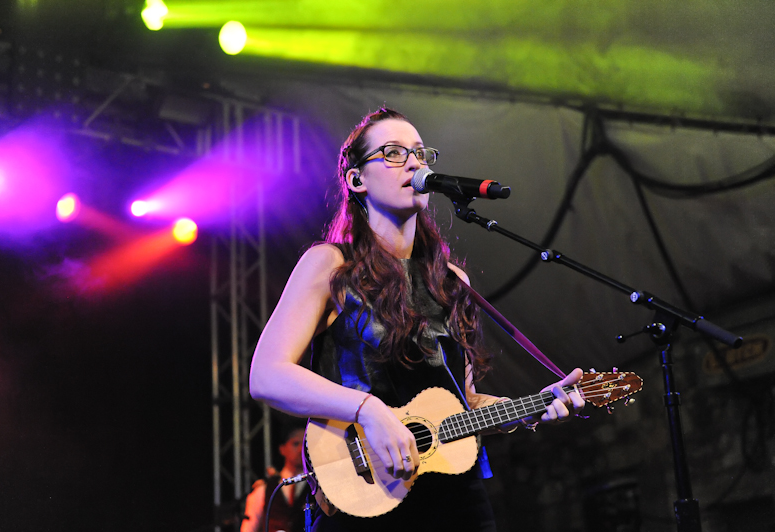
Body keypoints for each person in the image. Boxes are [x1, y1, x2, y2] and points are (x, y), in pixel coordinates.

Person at [249, 107, 585, 531]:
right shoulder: (330, 265)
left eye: (421, 153)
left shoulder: (452, 281)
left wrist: (532, 406)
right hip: (364, 492)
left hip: (455, 498)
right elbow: (266, 375)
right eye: (392, 152)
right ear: (357, 180)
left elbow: (462, 402)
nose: (413, 162)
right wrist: (368, 410)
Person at [241, 426, 307, 532]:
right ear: (282, 449)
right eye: (295, 443)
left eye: (305, 444)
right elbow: (248, 528)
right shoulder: (264, 488)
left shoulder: (318, 487)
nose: (301, 449)